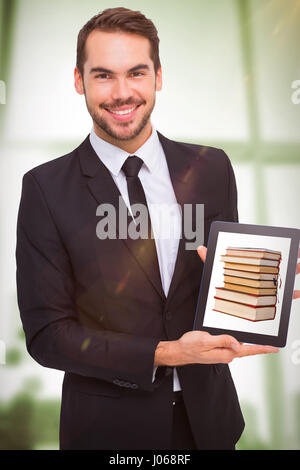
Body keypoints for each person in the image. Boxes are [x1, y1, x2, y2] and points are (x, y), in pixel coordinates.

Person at [16, 7, 298, 450]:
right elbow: (48, 336)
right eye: (104, 75)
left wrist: (262, 292)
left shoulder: (212, 169)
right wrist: (165, 354)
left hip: (210, 424)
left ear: (158, 77)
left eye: (137, 73)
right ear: (78, 81)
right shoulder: (45, 189)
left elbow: (223, 292)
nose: (122, 93)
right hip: (108, 432)